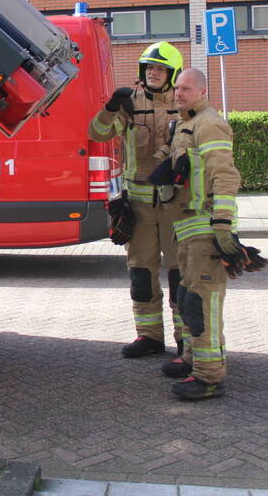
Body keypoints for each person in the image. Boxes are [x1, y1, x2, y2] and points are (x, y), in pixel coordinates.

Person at [89, 42, 184, 359]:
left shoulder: (185, 102)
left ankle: (186, 338)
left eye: (160, 69)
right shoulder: (130, 103)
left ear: (173, 74)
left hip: (176, 206)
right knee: (141, 274)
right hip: (140, 208)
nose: (153, 73)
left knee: (179, 274)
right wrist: (111, 107)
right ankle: (149, 337)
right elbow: (97, 133)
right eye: (149, 68)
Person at [160, 67, 241, 400]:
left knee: (201, 304)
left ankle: (209, 378)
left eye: (187, 89)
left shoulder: (210, 124)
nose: (179, 93)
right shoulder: (186, 123)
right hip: (187, 230)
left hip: (206, 229)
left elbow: (225, 175)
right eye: (177, 88)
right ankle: (193, 359)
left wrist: (222, 223)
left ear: (203, 91)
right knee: (187, 299)